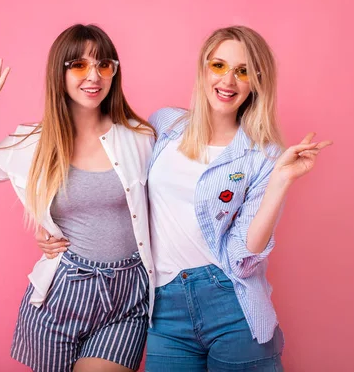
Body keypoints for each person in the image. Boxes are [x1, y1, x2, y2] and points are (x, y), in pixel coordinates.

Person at [39, 25, 332, 371]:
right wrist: (54, 224)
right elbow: (118, 183)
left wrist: (281, 181)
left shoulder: (264, 156)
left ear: (257, 82)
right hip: (164, 307)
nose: (228, 81)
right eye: (219, 66)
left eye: (243, 71)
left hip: (231, 301)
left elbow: (244, 255)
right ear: (203, 68)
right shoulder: (164, 124)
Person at [0, 24, 157, 372]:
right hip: (61, 295)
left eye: (104, 64)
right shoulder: (30, 143)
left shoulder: (139, 138)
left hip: (128, 296)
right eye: (79, 65)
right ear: (60, 71)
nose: (94, 75)